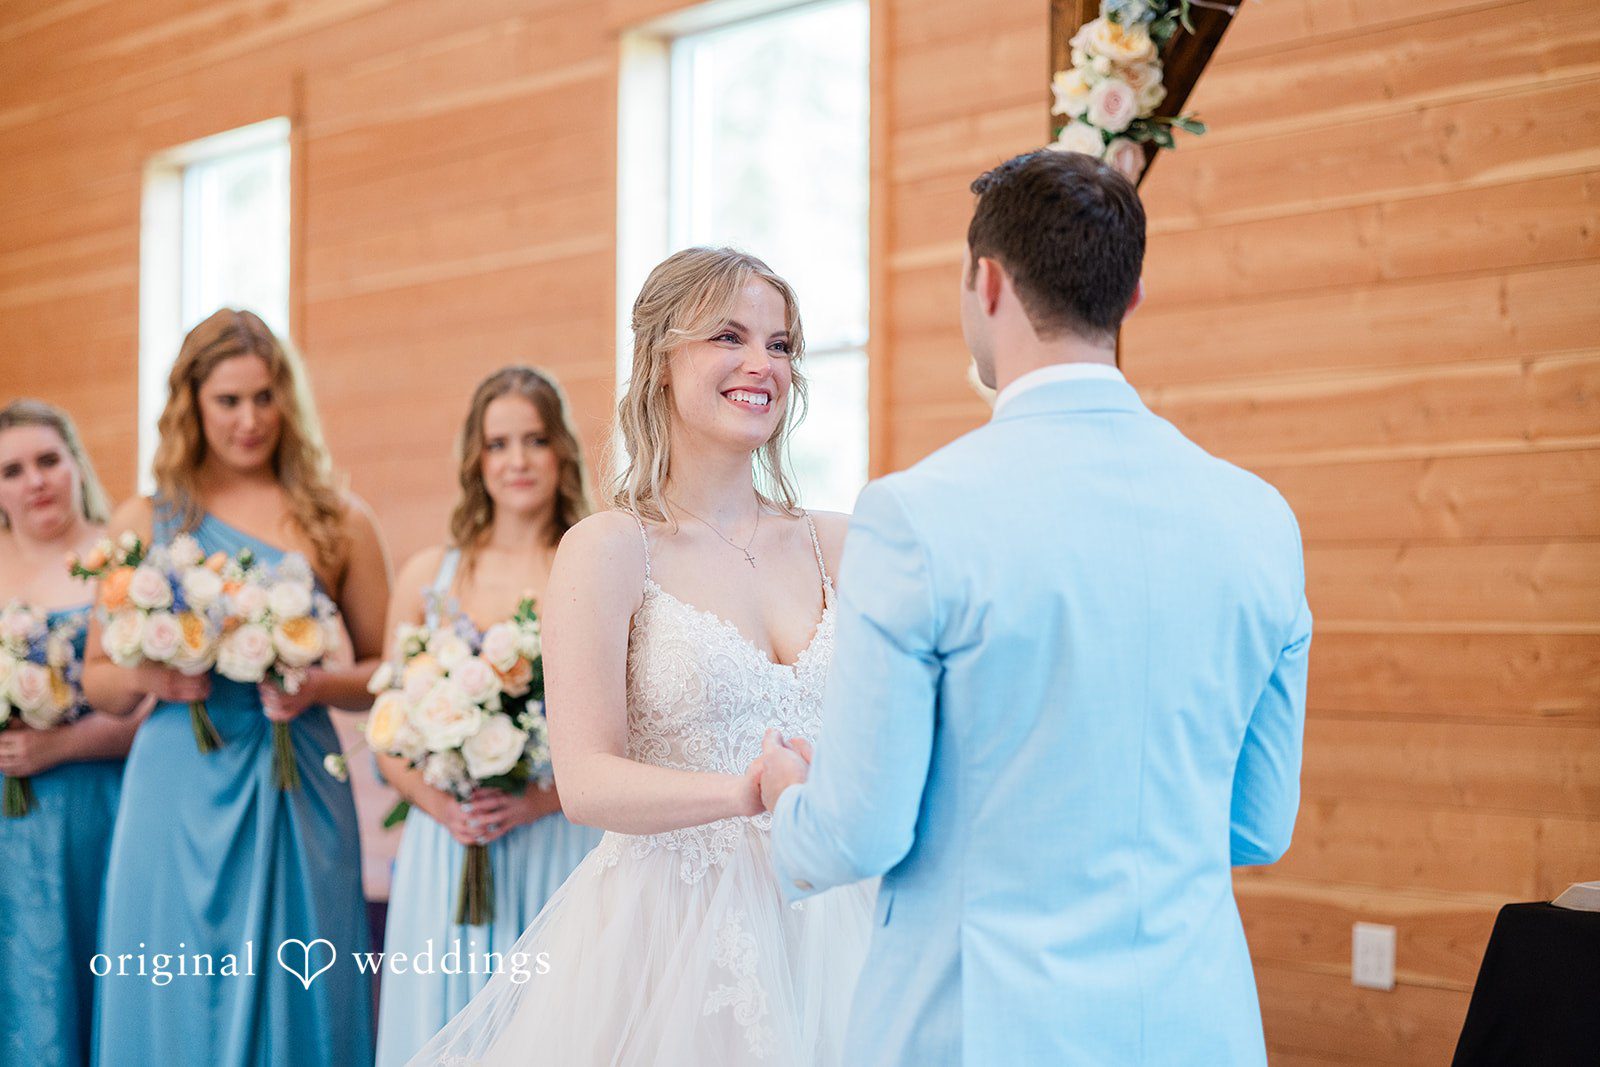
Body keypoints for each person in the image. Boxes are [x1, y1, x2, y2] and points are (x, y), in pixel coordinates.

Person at [760, 149, 1313, 1066]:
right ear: (1129, 297)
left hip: (988, 1026)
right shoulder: (1261, 518)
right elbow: (1258, 822)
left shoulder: (917, 514)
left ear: (986, 282)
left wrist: (790, 801)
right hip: (1196, 1025)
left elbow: (860, 828)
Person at [411, 248, 874, 1065]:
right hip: (671, 929)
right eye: (729, 336)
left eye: (782, 344)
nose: (761, 363)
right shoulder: (610, 548)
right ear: (663, 359)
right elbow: (585, 780)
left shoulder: (839, 541)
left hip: (835, 912)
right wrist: (746, 792)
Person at [83, 309, 390, 1066]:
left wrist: (318, 685)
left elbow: (387, 672)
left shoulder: (339, 521)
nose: (249, 420)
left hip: (298, 780)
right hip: (176, 781)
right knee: (174, 980)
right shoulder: (146, 518)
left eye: (264, 397)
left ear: (288, 399)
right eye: (228, 401)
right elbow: (99, 680)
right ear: (191, 403)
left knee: (302, 969)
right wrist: (156, 673)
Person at [374, 366, 603, 1066]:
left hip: (556, 842)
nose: (517, 460)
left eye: (534, 440)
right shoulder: (428, 576)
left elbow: (626, 732)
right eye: (498, 443)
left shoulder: (593, 562)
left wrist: (536, 801)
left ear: (561, 449)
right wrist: (442, 808)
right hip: (448, 847)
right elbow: (386, 732)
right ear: (476, 458)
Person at [0, 400, 141, 1066]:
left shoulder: (117, 559)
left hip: (101, 807)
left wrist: (59, 745)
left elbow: (150, 708)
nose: (35, 481)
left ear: (75, 464)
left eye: (49, 460)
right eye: (13, 469)